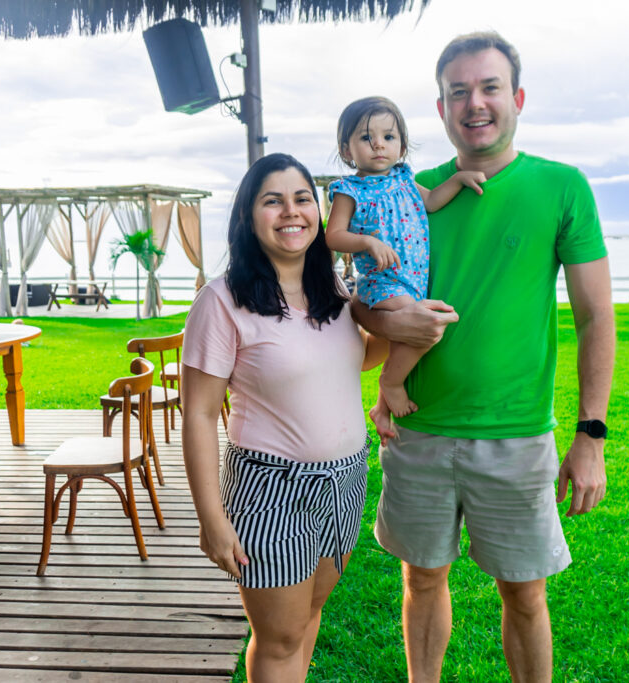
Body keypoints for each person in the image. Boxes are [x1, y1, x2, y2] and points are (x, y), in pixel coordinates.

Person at [352, 32, 616, 682]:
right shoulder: (407, 193)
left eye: (489, 87)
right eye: (458, 92)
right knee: (422, 578)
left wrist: (592, 434)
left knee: (525, 592)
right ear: (440, 110)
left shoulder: (562, 186)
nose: (475, 103)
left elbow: (595, 316)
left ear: (517, 97)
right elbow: (366, 298)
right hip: (419, 431)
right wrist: (381, 317)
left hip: (518, 436)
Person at [181, 153, 388, 682]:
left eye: (301, 199)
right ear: (249, 216)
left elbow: (353, 362)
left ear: (317, 213)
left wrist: (397, 325)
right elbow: (200, 414)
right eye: (272, 200)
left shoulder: (336, 294)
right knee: (278, 639)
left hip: (345, 482)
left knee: (306, 618)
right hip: (272, 487)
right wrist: (211, 517)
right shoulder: (222, 300)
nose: (290, 212)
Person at [325, 96, 485, 420]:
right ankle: (391, 383)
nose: (378, 145)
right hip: (381, 282)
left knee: (408, 333)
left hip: (412, 282)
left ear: (401, 145)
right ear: (346, 150)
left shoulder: (404, 180)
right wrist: (367, 241)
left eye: (388, 136)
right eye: (366, 138)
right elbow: (333, 235)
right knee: (426, 327)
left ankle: (381, 409)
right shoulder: (350, 190)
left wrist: (457, 180)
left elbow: (432, 201)